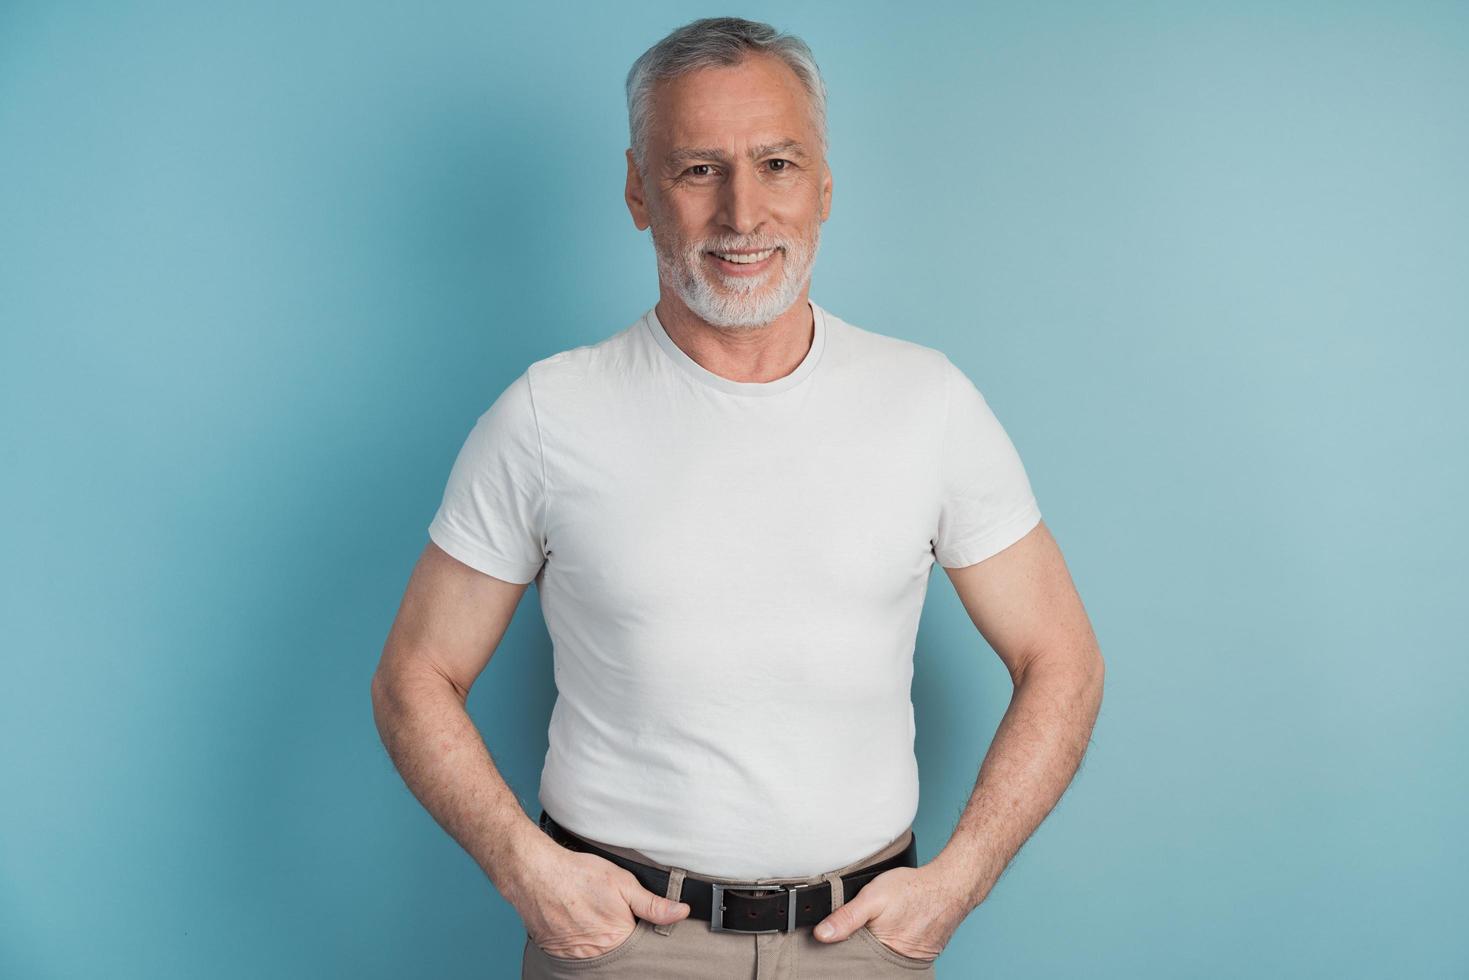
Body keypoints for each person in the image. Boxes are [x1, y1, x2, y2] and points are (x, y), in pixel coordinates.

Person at [371, 16, 1104, 978]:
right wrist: (525, 869)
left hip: (861, 949)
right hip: (621, 949)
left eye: (777, 165)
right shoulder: (548, 416)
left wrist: (957, 882)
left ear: (825, 185)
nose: (742, 216)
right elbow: (413, 677)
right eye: (697, 171)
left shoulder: (927, 404)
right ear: (639, 190)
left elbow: (1063, 658)